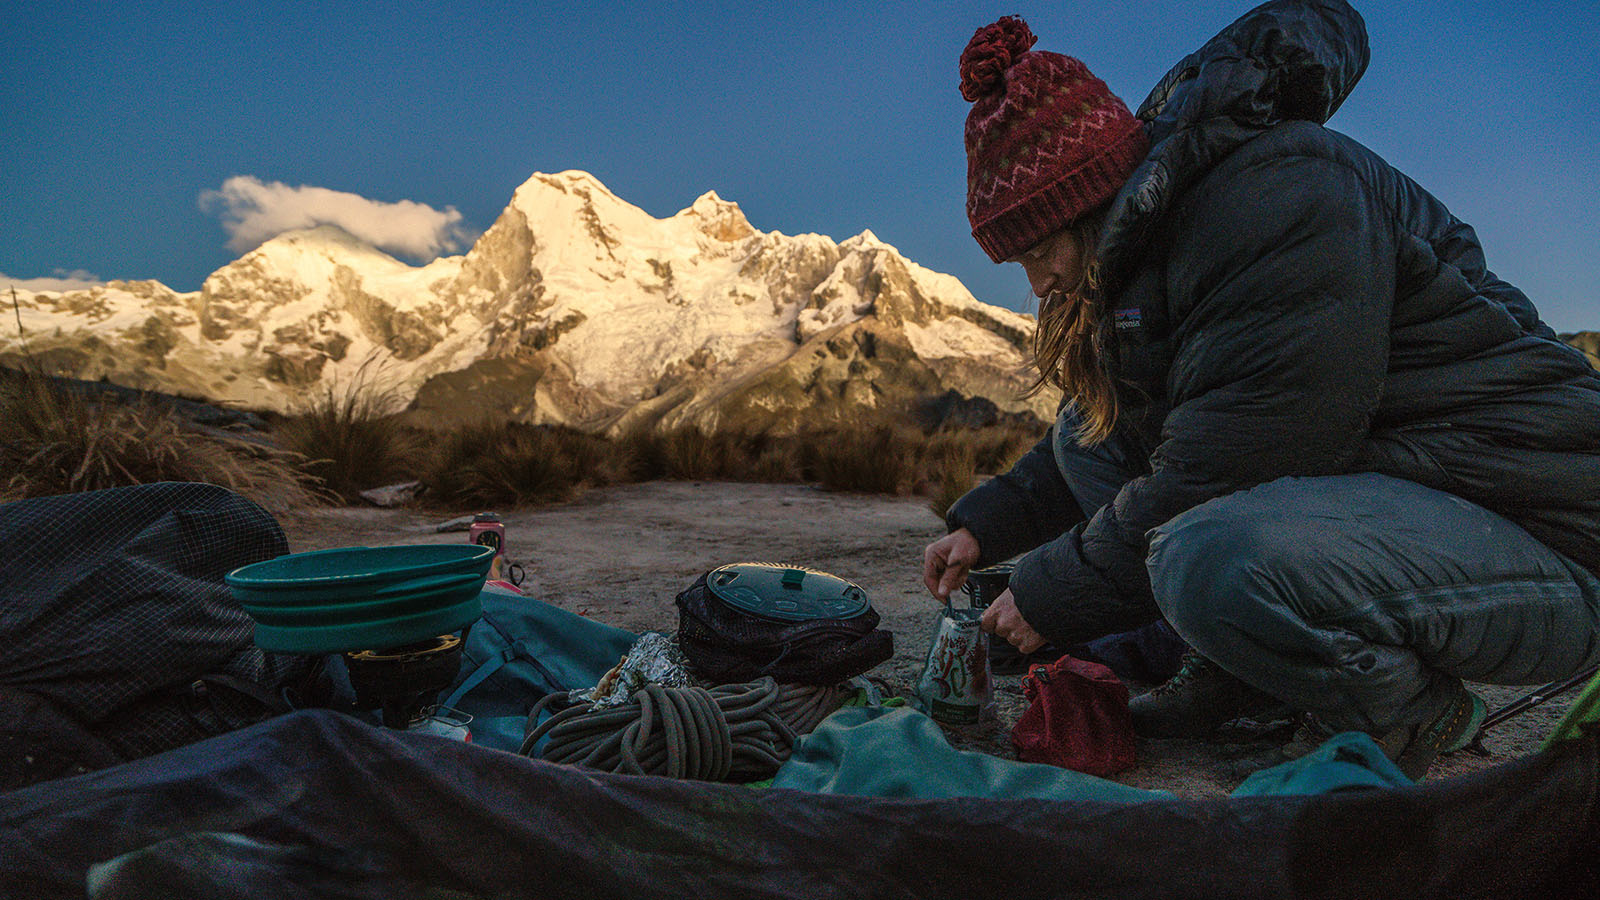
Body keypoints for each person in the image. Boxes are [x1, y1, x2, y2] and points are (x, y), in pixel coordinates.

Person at [922, 0, 1600, 779]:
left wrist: (1051, 591)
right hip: (1424, 503)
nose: (1039, 283)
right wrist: (988, 525)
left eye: (1039, 251)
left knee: (1205, 557)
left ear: (1086, 202)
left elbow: (1240, 457)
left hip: (1553, 536)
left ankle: (1410, 713)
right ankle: (1252, 675)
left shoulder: (1278, 200)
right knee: (1088, 431)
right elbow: (1112, 428)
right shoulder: (1161, 243)